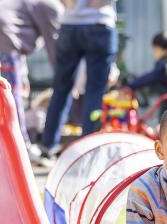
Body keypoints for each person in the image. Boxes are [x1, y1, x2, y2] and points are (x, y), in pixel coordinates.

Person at [40, 0, 119, 156]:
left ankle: (47, 146)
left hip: (69, 25)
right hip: (99, 23)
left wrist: (74, 6)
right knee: (95, 91)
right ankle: (88, 149)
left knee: (61, 89)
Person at [0, 0, 63, 164]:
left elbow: (20, 45)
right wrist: (63, 79)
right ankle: (21, 145)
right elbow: (54, 46)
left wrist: (23, 76)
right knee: (12, 98)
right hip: (5, 34)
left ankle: (3, 143)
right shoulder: (53, 6)